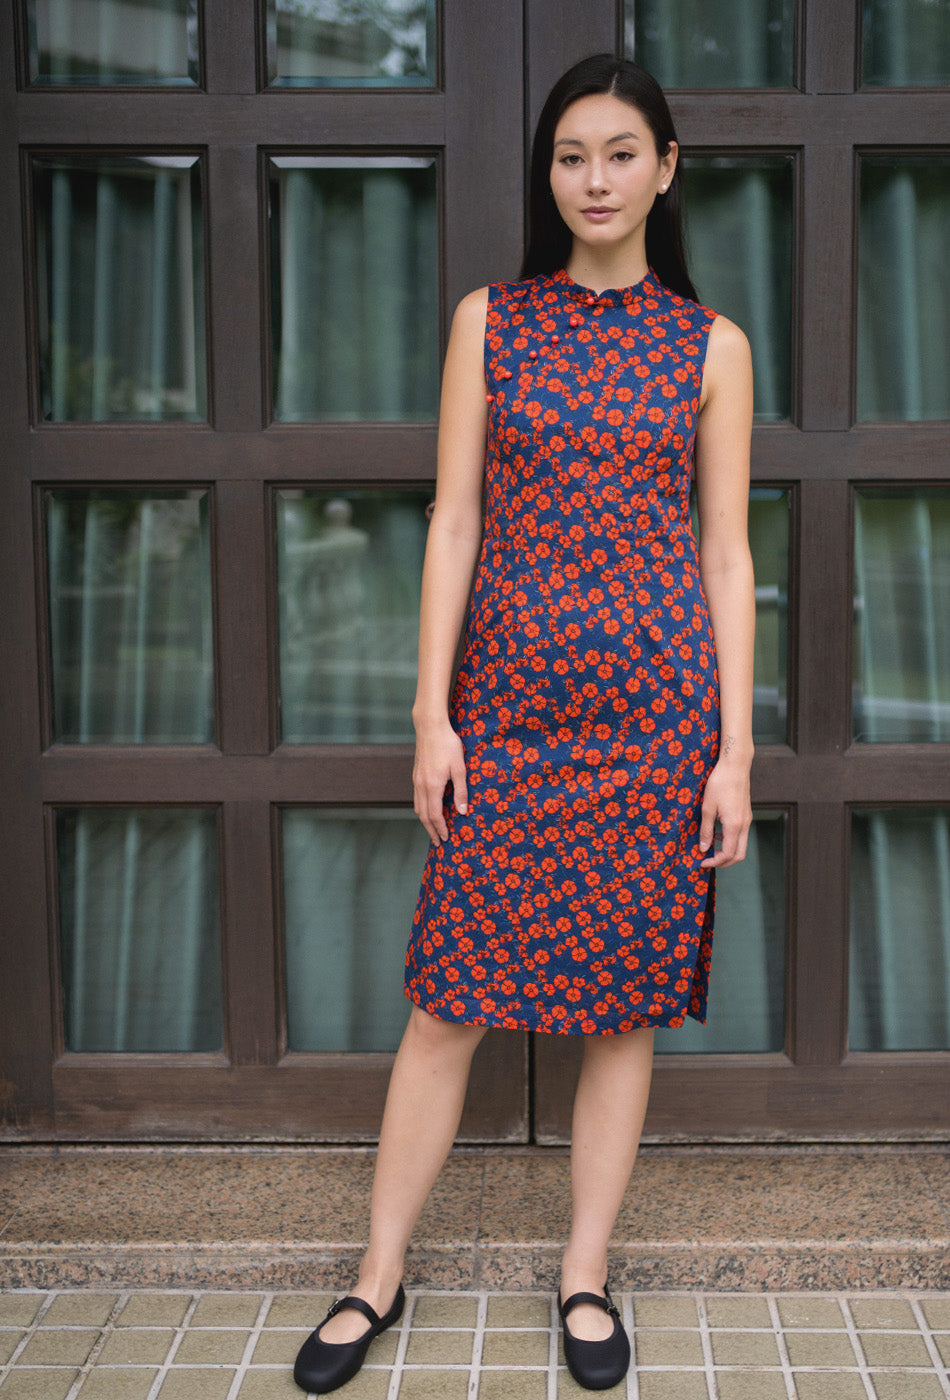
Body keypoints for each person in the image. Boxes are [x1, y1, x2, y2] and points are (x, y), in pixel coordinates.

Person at [294, 52, 754, 1395]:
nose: (594, 179)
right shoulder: (490, 321)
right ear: (546, 174)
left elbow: (724, 554)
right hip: (507, 712)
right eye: (570, 155)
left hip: (656, 715)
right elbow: (453, 522)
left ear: (665, 169)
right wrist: (430, 716)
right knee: (445, 1004)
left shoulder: (708, 344)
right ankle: (376, 1273)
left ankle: (586, 1271)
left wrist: (731, 748)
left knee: (623, 1011)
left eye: (620, 152)